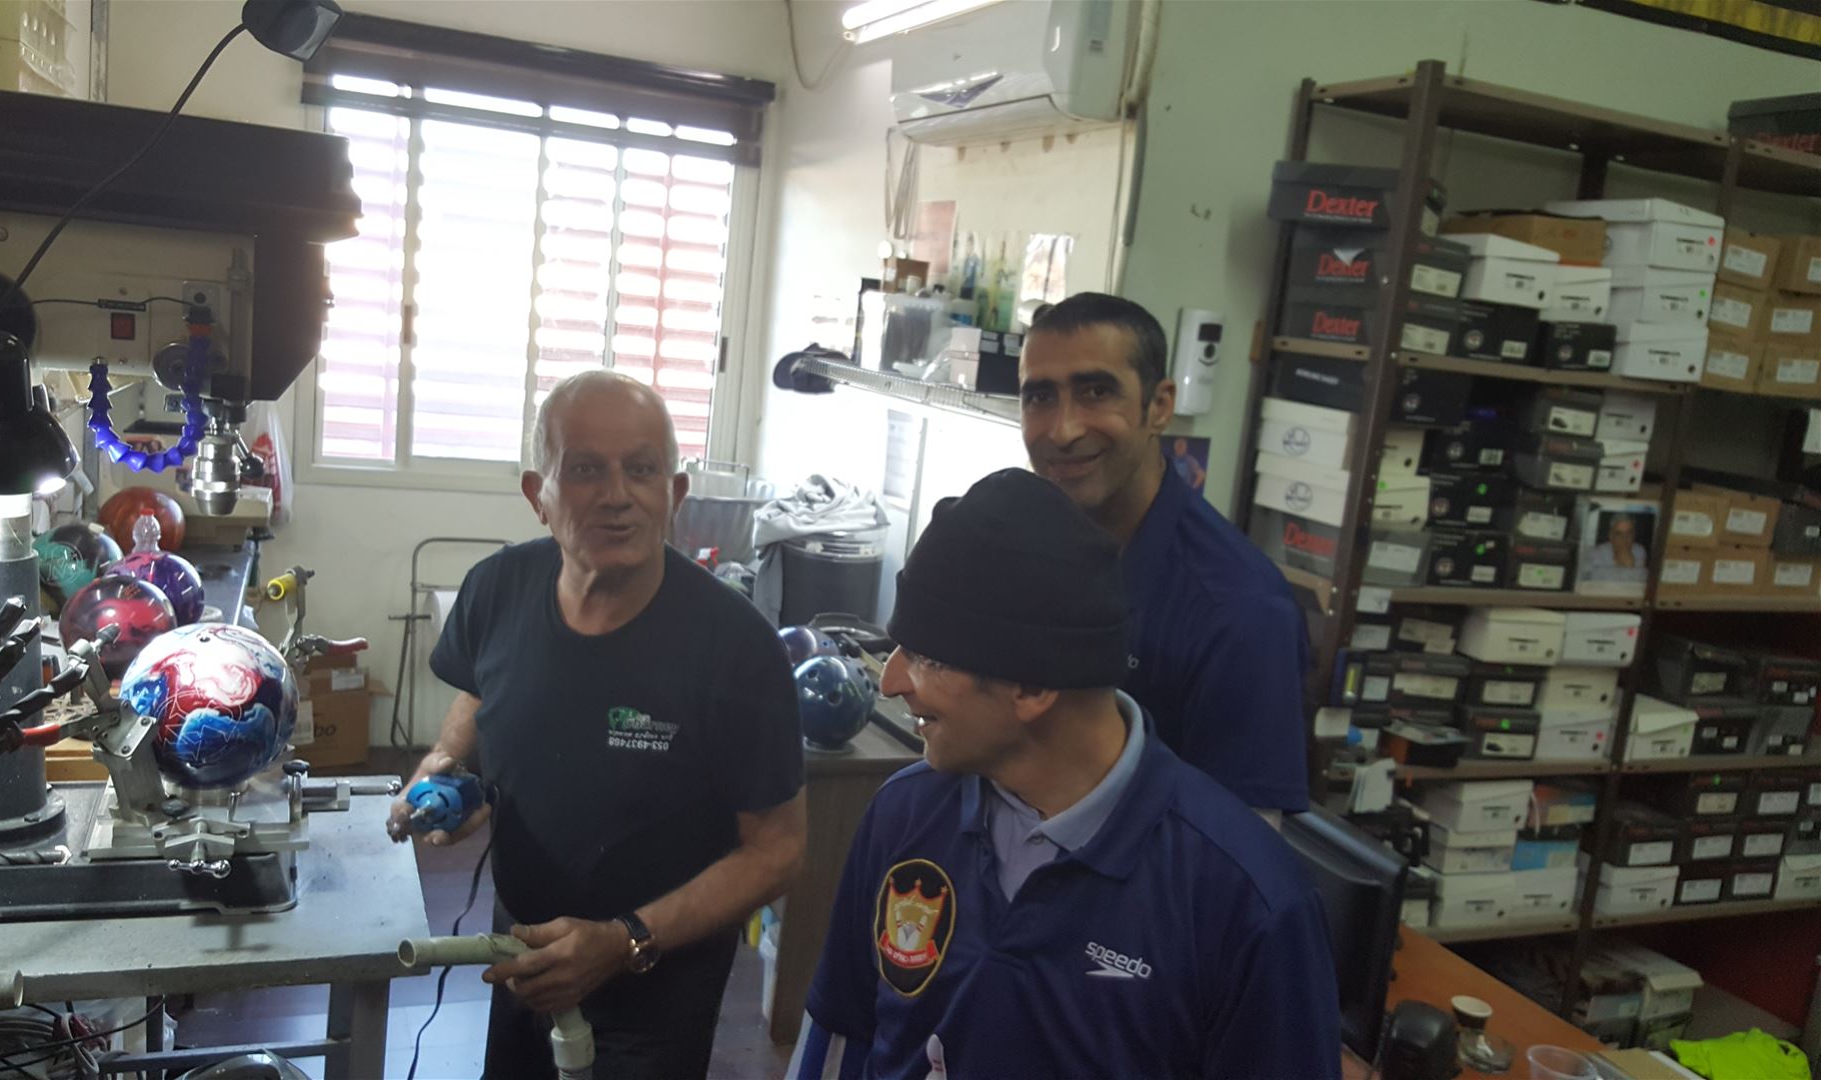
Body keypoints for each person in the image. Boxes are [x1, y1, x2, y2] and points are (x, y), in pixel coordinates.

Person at [791, 468, 1340, 1080]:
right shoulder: (903, 814)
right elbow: (841, 1040)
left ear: (1032, 685)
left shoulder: (1248, 905)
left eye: (927, 657)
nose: (892, 681)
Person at [388, 371, 807, 1079]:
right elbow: (480, 694)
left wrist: (624, 939)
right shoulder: (496, 590)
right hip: (519, 953)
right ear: (538, 496)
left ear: (674, 494)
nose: (618, 495)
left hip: (654, 984)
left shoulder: (737, 648)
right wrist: (445, 768)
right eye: (585, 470)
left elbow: (779, 851)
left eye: (642, 470)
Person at [1018, 292, 1310, 818]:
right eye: (1039, 397)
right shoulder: (1030, 548)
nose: (1062, 430)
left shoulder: (1242, 610)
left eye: (1096, 392)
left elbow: (1244, 849)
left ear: (1159, 406)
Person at [1582, 512, 1649, 585]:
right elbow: (1591, 579)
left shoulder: (1639, 551)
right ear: (1611, 536)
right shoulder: (1595, 553)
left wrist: (1630, 567)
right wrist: (1630, 568)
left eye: (1629, 533)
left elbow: (1642, 582)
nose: (1624, 539)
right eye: (1619, 534)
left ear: (1634, 535)